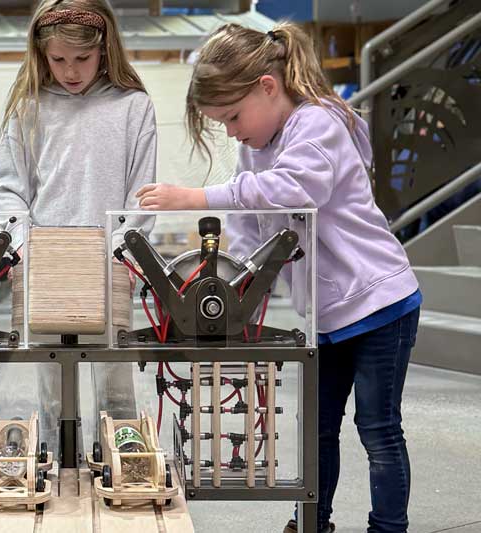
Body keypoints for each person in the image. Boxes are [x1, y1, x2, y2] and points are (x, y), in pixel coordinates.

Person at [136, 23, 421, 533]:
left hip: (380, 302)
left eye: (232, 116)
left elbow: (291, 191)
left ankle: (388, 527)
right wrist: (231, 288)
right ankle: (313, 521)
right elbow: (250, 229)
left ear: (268, 86)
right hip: (328, 313)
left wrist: (196, 198)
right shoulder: (257, 143)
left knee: (378, 428)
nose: (230, 131)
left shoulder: (319, 123)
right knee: (318, 429)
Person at [0, 0, 157, 456]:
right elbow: (9, 191)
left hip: (108, 269)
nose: (71, 71)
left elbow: (140, 195)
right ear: (41, 54)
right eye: (58, 59)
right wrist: (23, 248)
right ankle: (51, 468)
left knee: (115, 386)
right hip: (45, 269)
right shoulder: (27, 107)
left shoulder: (133, 107)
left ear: (105, 50)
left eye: (82, 59)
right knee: (49, 387)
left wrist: (119, 254)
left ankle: (125, 470)